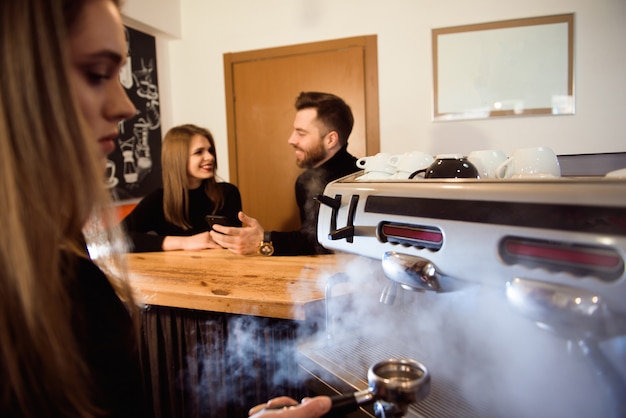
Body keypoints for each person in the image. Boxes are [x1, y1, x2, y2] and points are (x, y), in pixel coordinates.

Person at [211, 91, 359, 256]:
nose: (291, 140)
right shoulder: (305, 181)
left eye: (301, 133)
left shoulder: (360, 181)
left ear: (330, 140)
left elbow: (327, 243)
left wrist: (265, 240)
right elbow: (310, 239)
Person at [122, 124, 242, 252]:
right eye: (199, 152)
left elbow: (234, 244)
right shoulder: (159, 200)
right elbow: (114, 239)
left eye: (210, 150)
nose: (210, 157)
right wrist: (184, 243)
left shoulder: (227, 194)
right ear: (178, 159)